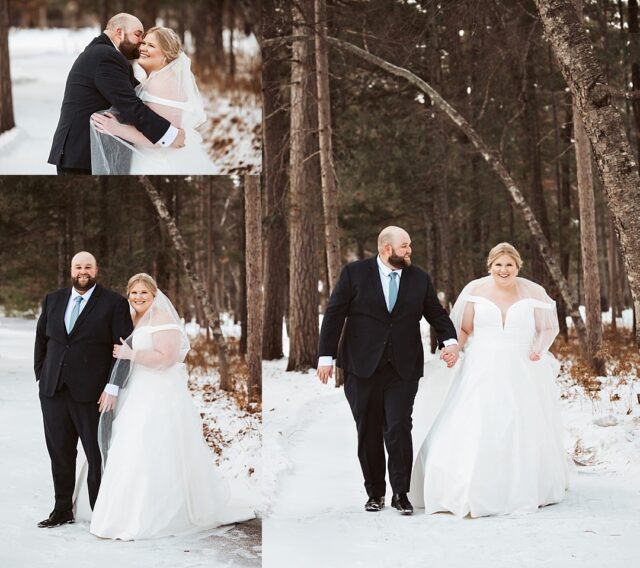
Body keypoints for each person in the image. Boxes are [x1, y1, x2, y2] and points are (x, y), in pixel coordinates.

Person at [409, 242, 571, 517]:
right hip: (481, 365)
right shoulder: (475, 291)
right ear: (490, 266)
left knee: (520, 423)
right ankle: (470, 487)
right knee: (476, 420)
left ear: (518, 266)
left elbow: (548, 327)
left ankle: (523, 486)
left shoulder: (533, 292)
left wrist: (538, 350)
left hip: (521, 367)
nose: (504, 270)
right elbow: (462, 327)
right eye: (498, 265)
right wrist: (454, 349)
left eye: (509, 265)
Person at [88, 273, 253, 540]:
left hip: (159, 393)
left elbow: (167, 359)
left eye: (144, 292)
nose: (138, 297)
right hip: (136, 391)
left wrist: (132, 354)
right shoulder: (133, 318)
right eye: (134, 293)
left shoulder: (164, 319)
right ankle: (122, 512)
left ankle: (157, 514)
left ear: (154, 294)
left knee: (151, 445)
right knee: (129, 445)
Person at [316, 226, 459, 515]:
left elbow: (436, 312)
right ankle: (374, 493)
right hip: (361, 365)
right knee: (367, 429)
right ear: (386, 249)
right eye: (404, 246)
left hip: (403, 367)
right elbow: (334, 315)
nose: (409, 250)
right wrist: (325, 357)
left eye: (409, 245)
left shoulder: (419, 277)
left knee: (398, 427)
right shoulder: (354, 274)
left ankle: (401, 493)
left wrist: (451, 341)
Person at [34, 252, 133, 528]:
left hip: (94, 394)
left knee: (96, 453)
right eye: (78, 266)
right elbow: (42, 340)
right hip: (53, 390)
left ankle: (100, 513)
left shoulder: (114, 303)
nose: (83, 271)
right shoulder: (53, 300)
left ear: (96, 269)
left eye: (88, 266)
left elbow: (123, 349)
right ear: (71, 269)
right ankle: (62, 509)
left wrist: (113, 386)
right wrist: (42, 374)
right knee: (60, 452)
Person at [48, 13, 185, 175]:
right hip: (82, 157)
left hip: (82, 155)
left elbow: (136, 94)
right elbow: (131, 106)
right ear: (119, 32)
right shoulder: (106, 56)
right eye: (138, 34)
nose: (141, 43)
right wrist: (170, 135)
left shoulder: (102, 53)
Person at [90, 27, 217, 175]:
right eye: (143, 43)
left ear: (166, 56)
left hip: (159, 163)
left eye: (151, 45)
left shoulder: (162, 83)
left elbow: (158, 139)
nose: (143, 48)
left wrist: (116, 128)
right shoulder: (157, 79)